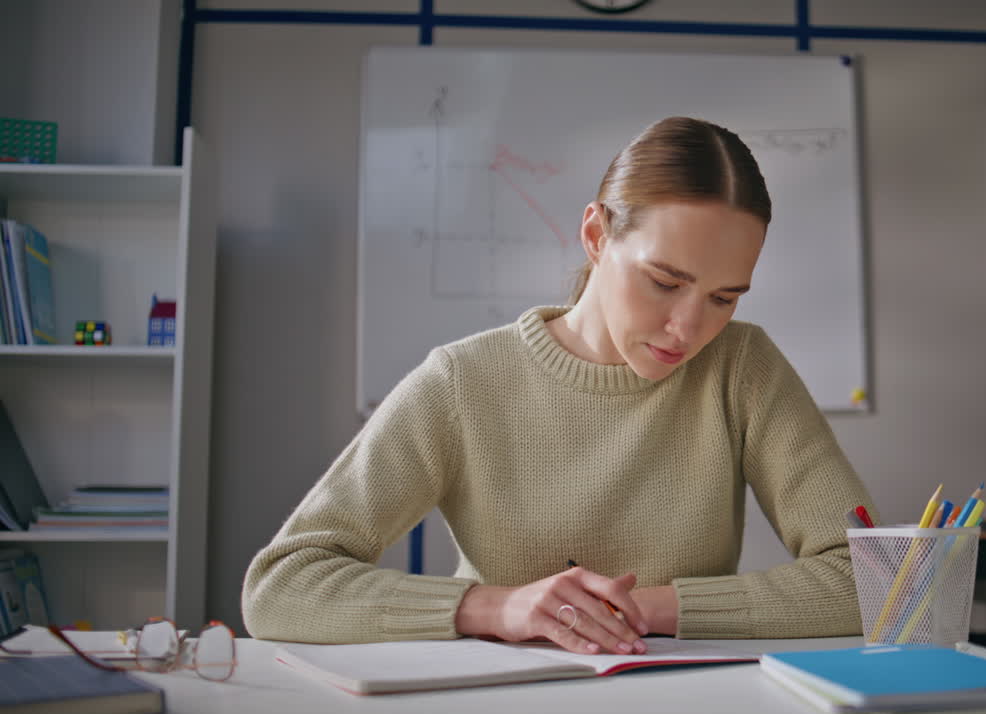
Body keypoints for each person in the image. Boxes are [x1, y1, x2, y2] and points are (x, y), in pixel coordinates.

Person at [242, 116, 878, 656]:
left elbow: (876, 581)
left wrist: (642, 609)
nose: (689, 328)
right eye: (664, 281)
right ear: (597, 235)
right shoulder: (463, 382)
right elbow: (281, 586)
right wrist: (499, 609)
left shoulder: (743, 367)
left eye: (723, 297)